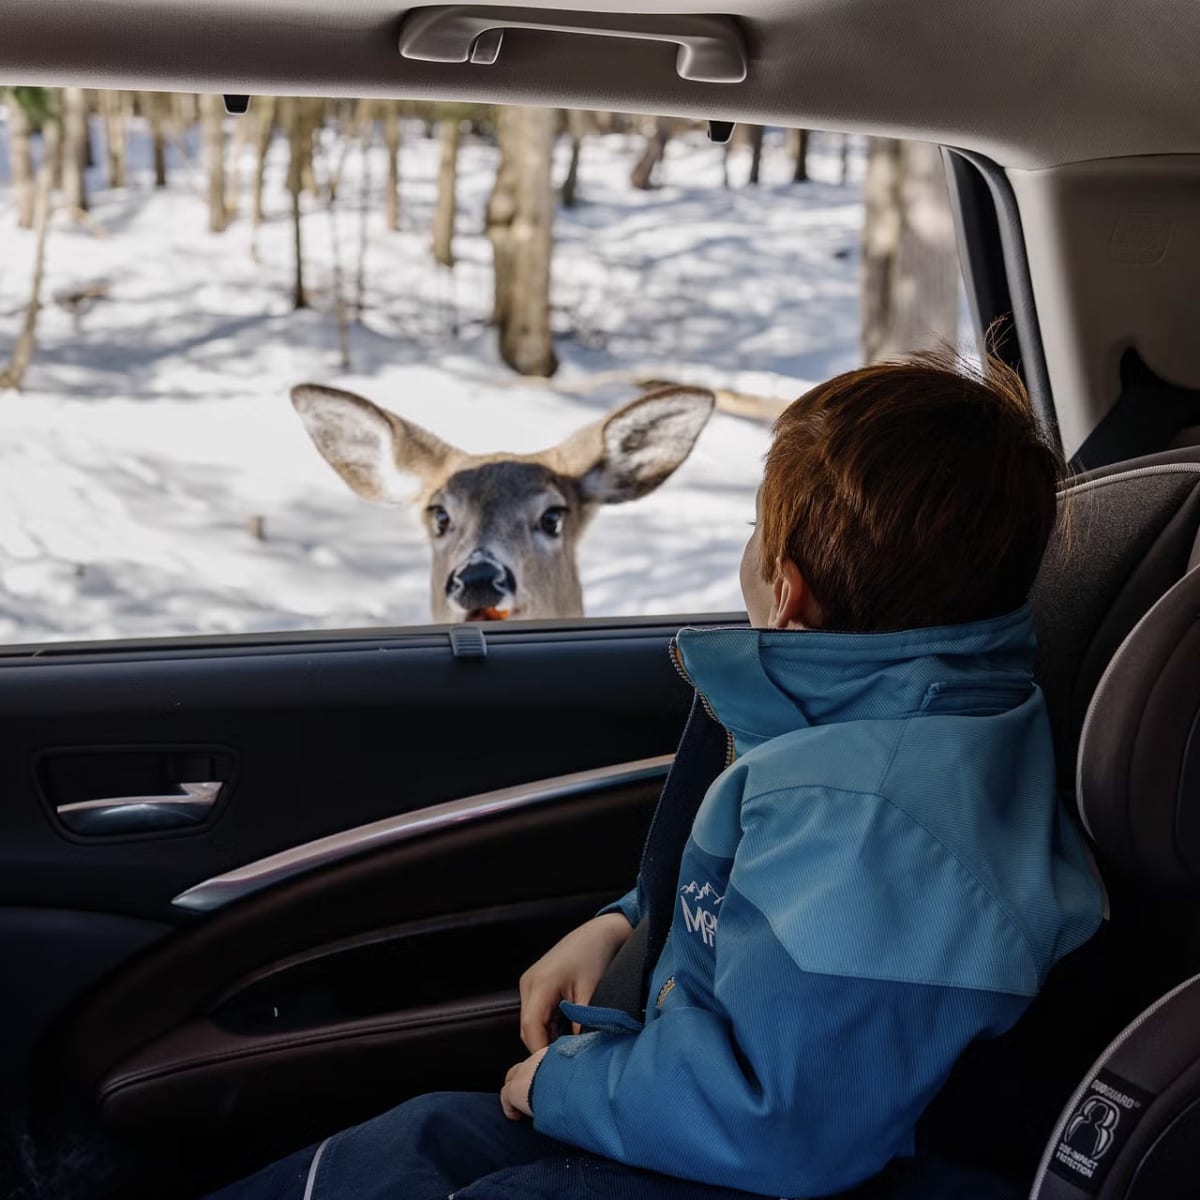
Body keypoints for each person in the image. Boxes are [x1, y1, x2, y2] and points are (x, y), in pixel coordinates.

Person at [207, 353, 1104, 1200]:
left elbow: (788, 1117)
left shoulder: (874, 817)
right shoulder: (854, 725)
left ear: (785, 592)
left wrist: (565, 1085)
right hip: (705, 1103)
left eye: (756, 530)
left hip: (779, 1162)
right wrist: (628, 923)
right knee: (418, 1143)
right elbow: (777, 910)